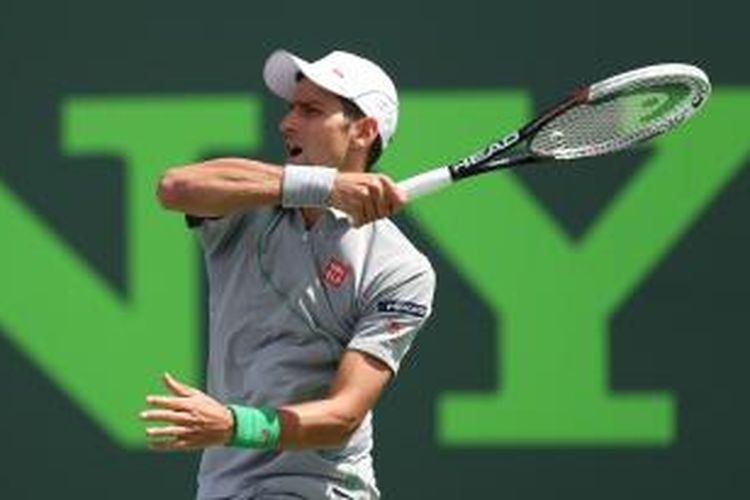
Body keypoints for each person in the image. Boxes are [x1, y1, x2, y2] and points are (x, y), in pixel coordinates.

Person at [139, 48, 436, 500]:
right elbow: (174, 187)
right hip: (225, 488)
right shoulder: (247, 202)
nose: (287, 123)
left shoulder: (400, 268)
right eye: (291, 108)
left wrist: (234, 424)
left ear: (364, 130)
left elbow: (343, 415)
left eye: (311, 110)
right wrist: (325, 186)